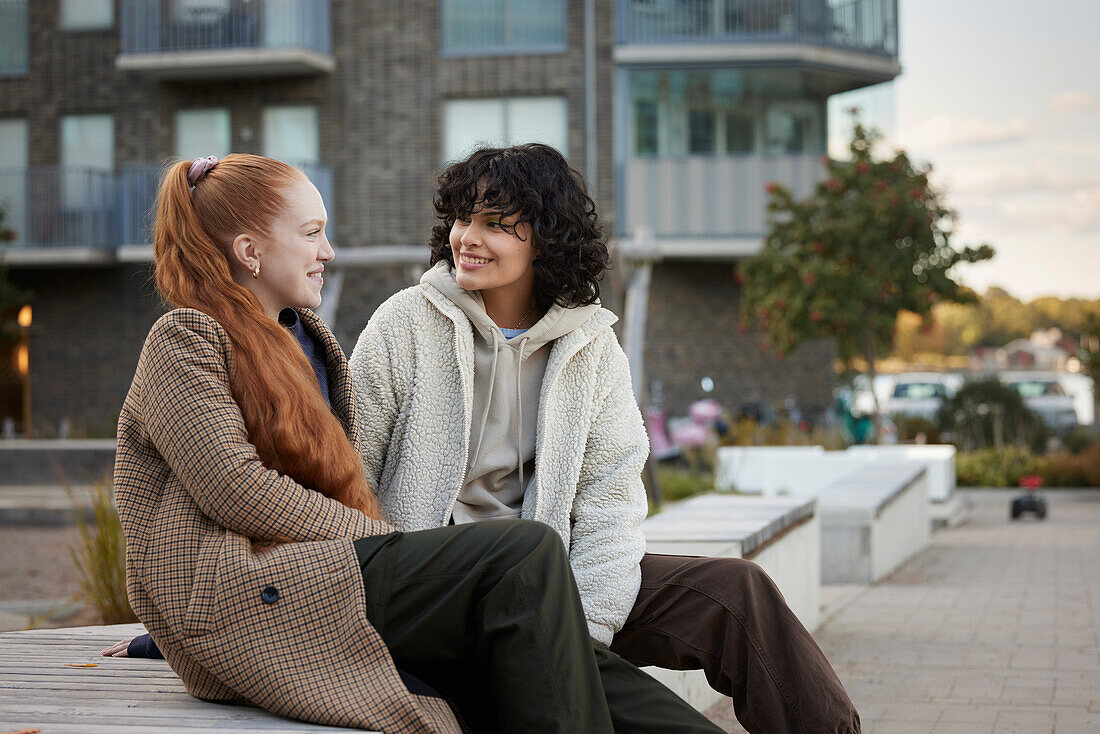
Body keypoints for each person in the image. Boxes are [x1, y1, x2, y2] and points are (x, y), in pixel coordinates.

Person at [110, 152, 722, 733]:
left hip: (318, 577)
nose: (328, 250)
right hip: (241, 598)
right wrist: (396, 543)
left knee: (547, 633)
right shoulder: (184, 338)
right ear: (249, 251)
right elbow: (237, 490)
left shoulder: (304, 342)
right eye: (311, 233)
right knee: (523, 552)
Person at [346, 143, 862, 734]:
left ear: (544, 237)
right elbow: (350, 472)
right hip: (450, 585)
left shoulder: (590, 345)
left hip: (563, 576)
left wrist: (575, 636)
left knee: (735, 593)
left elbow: (610, 496)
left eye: (495, 224)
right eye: (463, 218)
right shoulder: (404, 322)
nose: (467, 237)